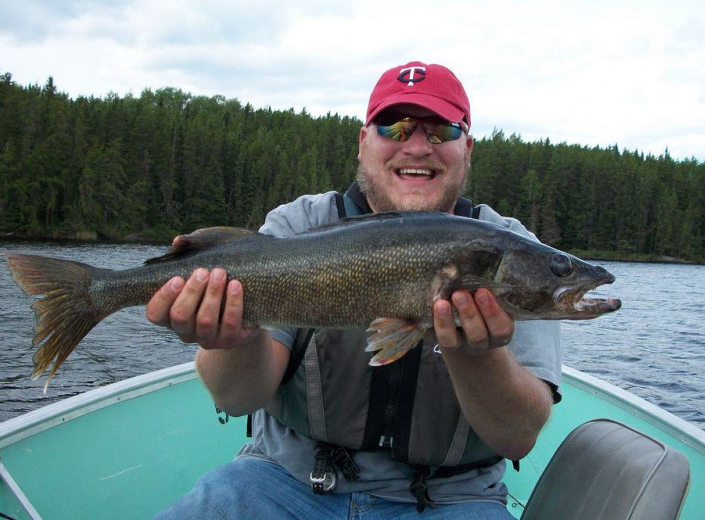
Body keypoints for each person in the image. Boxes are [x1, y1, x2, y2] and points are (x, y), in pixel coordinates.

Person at [146, 61, 561, 519]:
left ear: (468, 149)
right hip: (283, 479)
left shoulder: (512, 245)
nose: (417, 146)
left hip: (451, 501)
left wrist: (476, 352)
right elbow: (236, 398)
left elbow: (518, 436)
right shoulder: (295, 228)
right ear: (364, 143)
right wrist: (235, 339)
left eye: (440, 130)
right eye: (395, 127)